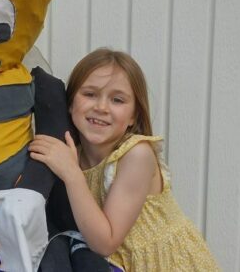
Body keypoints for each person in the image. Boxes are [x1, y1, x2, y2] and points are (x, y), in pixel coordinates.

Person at [29, 48, 219, 271]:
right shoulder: (72, 155)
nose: (101, 107)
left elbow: (105, 243)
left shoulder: (137, 155)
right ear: (70, 104)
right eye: (90, 94)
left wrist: (72, 175)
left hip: (164, 264)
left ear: (133, 116)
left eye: (117, 100)